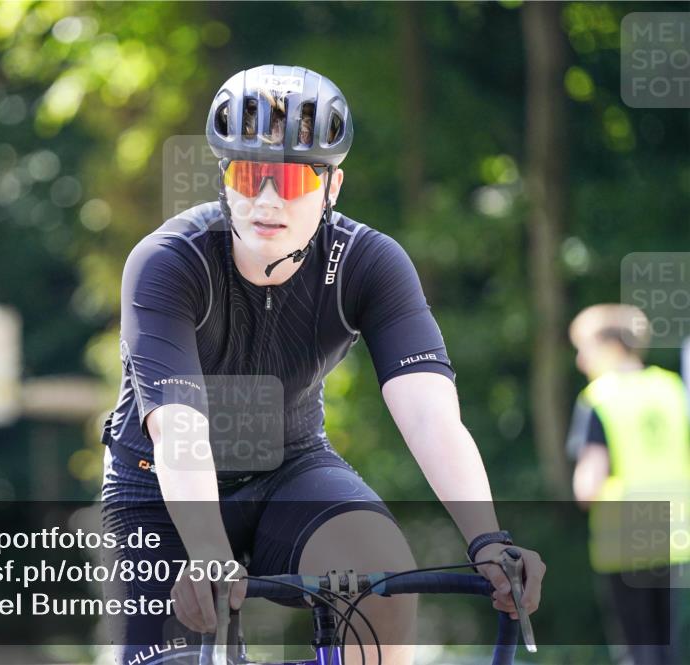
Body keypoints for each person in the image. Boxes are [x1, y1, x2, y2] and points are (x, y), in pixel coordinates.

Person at [100, 64, 545, 665]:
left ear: (333, 187)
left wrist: (487, 539)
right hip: (160, 482)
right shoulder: (168, 262)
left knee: (381, 578)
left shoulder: (369, 262)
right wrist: (207, 550)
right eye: (250, 173)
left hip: (290, 469)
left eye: (293, 181)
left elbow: (431, 416)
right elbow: (179, 428)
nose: (266, 200)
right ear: (225, 178)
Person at [567, 304, 690, 665]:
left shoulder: (599, 397)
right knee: (668, 647)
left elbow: (587, 486)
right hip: (674, 535)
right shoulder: (671, 389)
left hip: (624, 538)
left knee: (636, 651)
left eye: (584, 347)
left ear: (611, 345)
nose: (580, 360)